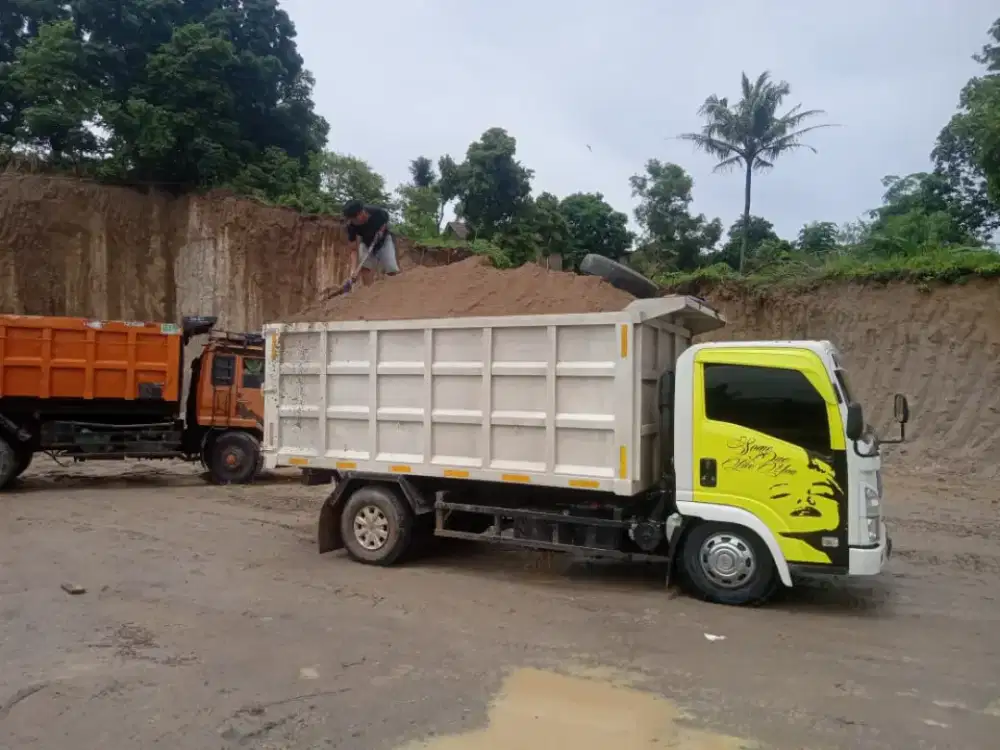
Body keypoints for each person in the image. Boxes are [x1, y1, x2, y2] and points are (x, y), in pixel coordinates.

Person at [342, 200, 399, 288]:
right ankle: (368, 291)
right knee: (364, 267)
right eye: (351, 220)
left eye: (354, 219)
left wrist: (381, 230)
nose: (353, 222)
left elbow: (385, 220)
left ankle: (395, 289)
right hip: (366, 242)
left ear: (361, 213)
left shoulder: (377, 212)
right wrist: (353, 270)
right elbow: (353, 249)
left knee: (391, 268)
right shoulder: (351, 226)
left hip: (384, 240)